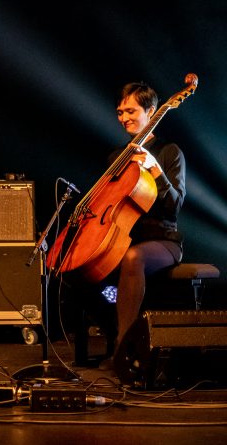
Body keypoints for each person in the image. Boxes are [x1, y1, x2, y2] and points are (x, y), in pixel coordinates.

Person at [98, 82, 186, 364]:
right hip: (124, 238)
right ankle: (112, 334)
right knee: (77, 267)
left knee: (133, 257)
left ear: (151, 111)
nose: (124, 117)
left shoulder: (169, 152)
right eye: (120, 112)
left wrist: (155, 170)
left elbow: (174, 206)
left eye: (131, 110)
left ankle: (124, 349)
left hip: (163, 241)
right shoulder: (117, 157)